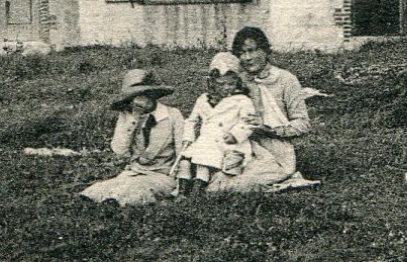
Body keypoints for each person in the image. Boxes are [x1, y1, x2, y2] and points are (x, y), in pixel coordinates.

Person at [209, 25, 316, 194]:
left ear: (265, 51)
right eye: (242, 53)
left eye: (252, 50)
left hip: (274, 150)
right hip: (239, 146)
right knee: (212, 178)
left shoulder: (285, 80)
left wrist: (270, 130)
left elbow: (302, 124)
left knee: (232, 186)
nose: (247, 58)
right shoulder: (236, 81)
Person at [78, 69, 185, 207]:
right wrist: (133, 120)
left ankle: (114, 205)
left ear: (152, 95)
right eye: (133, 97)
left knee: (135, 190)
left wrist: (179, 188)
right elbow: (120, 150)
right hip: (133, 172)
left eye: (143, 94)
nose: (138, 101)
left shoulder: (173, 115)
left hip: (162, 175)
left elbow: (182, 153)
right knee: (96, 191)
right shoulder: (128, 116)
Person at [175, 52, 259, 197]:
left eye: (231, 84)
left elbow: (249, 121)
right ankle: (182, 191)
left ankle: (197, 191)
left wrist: (235, 134)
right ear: (212, 83)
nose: (226, 88)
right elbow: (192, 120)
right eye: (221, 84)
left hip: (228, 142)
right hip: (206, 140)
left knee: (203, 162)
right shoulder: (203, 100)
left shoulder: (242, 100)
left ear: (238, 83)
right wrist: (188, 138)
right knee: (184, 161)